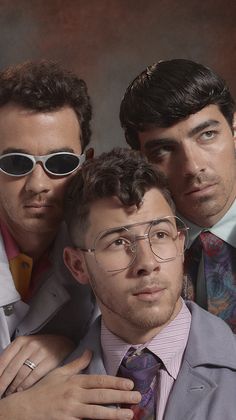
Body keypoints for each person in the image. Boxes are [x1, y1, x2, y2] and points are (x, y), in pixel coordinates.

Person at [0, 61, 139, 419]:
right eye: (16, 163)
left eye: (59, 163)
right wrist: (16, 412)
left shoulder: (105, 245)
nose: (38, 185)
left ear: (84, 163)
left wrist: (67, 344)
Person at [63, 148, 236, 420]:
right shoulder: (45, 393)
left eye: (160, 234)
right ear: (77, 265)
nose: (147, 262)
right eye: (117, 242)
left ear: (180, 244)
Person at [119, 59, 236, 332]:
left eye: (207, 135)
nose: (193, 167)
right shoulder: (124, 254)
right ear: (141, 160)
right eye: (164, 150)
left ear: (233, 129)